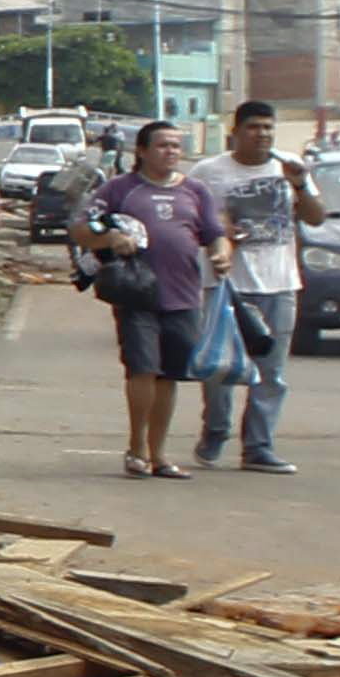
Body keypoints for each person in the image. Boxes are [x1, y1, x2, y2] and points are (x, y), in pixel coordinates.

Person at [83, 122, 228, 479]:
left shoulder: (196, 191)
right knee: (143, 368)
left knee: (169, 375)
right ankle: (136, 449)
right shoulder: (120, 190)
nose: (171, 152)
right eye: (163, 145)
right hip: (137, 294)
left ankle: (159, 454)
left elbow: (215, 235)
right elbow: (80, 228)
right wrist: (111, 239)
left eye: (176, 146)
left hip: (183, 296)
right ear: (143, 151)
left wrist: (222, 254)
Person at [191, 101, 321, 474]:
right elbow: (193, 220)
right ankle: (215, 429)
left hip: (280, 284)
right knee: (219, 367)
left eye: (267, 127)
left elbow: (316, 216)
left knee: (271, 373)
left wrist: (300, 183)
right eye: (253, 128)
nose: (262, 134)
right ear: (236, 132)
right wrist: (219, 232)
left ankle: (259, 447)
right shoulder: (209, 172)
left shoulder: (289, 166)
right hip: (227, 285)